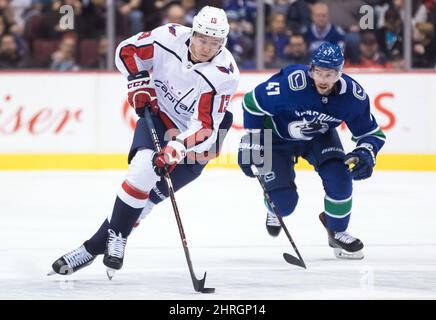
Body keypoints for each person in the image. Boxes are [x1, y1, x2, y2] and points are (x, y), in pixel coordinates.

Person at [49, 6, 239, 278]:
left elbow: (205, 127)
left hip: (199, 142)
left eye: (215, 42)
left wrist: (176, 148)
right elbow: (127, 51)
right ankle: (109, 242)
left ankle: (92, 248)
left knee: (148, 200)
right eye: (202, 39)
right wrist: (138, 81)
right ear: (192, 32)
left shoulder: (224, 74)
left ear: (223, 42)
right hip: (161, 117)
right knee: (141, 172)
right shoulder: (168, 37)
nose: (207, 47)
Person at [238, 42, 386, 259]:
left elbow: (372, 134)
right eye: (319, 72)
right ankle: (273, 212)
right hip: (277, 139)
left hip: (319, 138)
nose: (323, 80)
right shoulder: (290, 85)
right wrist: (253, 140)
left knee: (341, 179)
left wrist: (366, 152)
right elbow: (251, 103)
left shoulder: (353, 97)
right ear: (311, 69)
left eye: (330, 74)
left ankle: (337, 230)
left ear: (340, 73)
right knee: (283, 206)